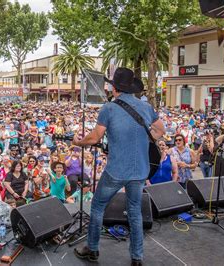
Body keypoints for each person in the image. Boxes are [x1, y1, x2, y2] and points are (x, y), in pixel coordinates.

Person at [72, 68, 165, 265]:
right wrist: (144, 141)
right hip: (140, 169)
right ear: (131, 88)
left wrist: (78, 143)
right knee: (134, 211)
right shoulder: (145, 107)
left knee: (97, 206)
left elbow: (95, 137)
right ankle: (137, 258)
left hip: (117, 170)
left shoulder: (109, 108)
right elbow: (160, 131)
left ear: (114, 88)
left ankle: (92, 248)